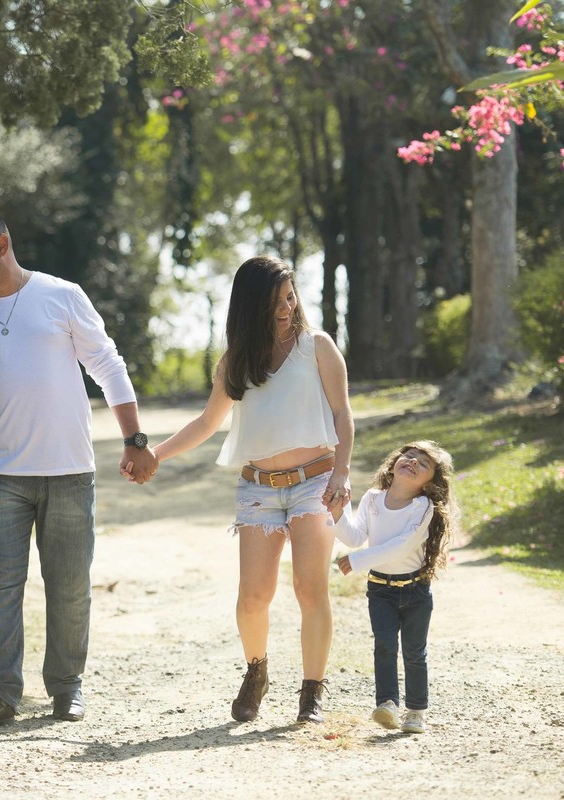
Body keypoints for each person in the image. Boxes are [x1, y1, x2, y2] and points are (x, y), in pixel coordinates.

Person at [0, 207, 158, 728]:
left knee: (68, 585)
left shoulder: (62, 296)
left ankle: (66, 689)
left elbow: (107, 365)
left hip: (68, 472)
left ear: (1, 243)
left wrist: (135, 439)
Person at [149, 255, 353, 724]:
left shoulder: (317, 346)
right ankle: (257, 670)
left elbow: (343, 414)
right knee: (253, 598)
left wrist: (342, 472)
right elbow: (206, 423)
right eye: (276, 302)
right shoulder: (235, 362)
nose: (287, 308)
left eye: (290, 297)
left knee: (309, 588)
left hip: (316, 482)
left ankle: (312, 693)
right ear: (250, 306)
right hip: (258, 489)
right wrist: (156, 454)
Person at [329, 440, 457, 735]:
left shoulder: (422, 506)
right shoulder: (374, 498)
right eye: (408, 456)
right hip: (380, 590)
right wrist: (337, 514)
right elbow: (354, 535)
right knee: (384, 647)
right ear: (393, 463)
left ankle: (416, 712)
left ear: (429, 483)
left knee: (414, 652)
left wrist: (358, 559)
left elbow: (402, 546)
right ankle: (387, 704)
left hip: (415, 591)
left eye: (422, 464)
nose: (412, 462)